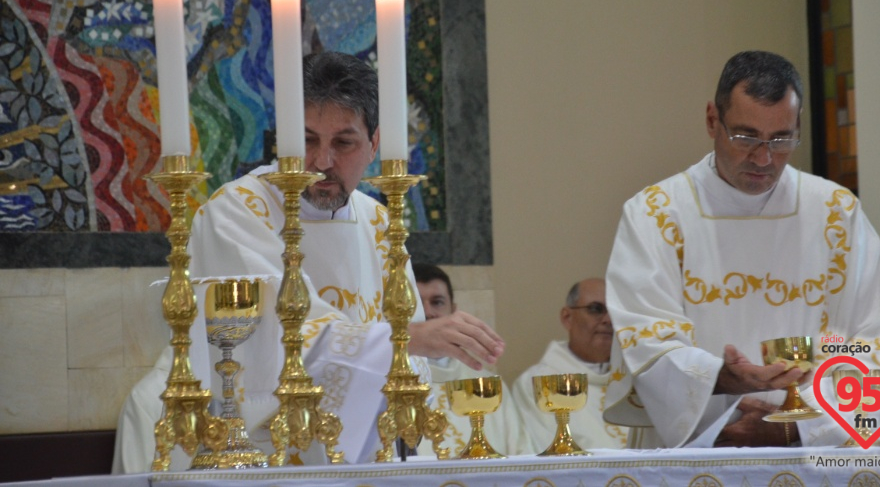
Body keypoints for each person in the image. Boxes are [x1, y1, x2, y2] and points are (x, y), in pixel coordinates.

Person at [113, 51, 504, 472]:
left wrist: (427, 348)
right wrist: (409, 338)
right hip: (262, 457)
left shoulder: (376, 221)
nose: (321, 162)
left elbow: (408, 360)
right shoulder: (237, 211)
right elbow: (284, 336)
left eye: (344, 142)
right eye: (307, 140)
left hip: (364, 459)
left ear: (374, 144)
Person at [603, 50, 880, 448]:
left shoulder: (837, 214)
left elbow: (876, 347)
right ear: (713, 120)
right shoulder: (657, 214)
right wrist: (720, 376)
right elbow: (645, 340)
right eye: (746, 137)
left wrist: (796, 428)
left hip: (811, 455)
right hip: (697, 453)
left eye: (781, 139)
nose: (764, 158)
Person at [514, 278, 660, 452]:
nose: (608, 320)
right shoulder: (538, 384)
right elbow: (544, 449)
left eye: (614, 311)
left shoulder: (638, 380)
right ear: (567, 318)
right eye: (595, 309)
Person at [413, 263, 532, 456]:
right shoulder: (388, 387)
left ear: (454, 311)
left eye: (437, 302)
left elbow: (521, 454)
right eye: (417, 304)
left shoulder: (489, 387)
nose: (429, 313)